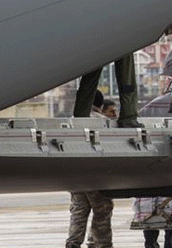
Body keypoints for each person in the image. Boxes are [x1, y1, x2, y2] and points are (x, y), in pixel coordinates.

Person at [66, 92, 114, 248]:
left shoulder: (73, 121)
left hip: (75, 176)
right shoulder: (103, 122)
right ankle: (101, 244)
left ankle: (73, 244)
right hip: (96, 176)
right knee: (102, 211)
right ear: (100, 106)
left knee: (78, 213)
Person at [73, 53, 143, 128]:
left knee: (90, 78)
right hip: (121, 43)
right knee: (127, 81)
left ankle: (81, 116)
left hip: (96, 44)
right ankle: (128, 118)